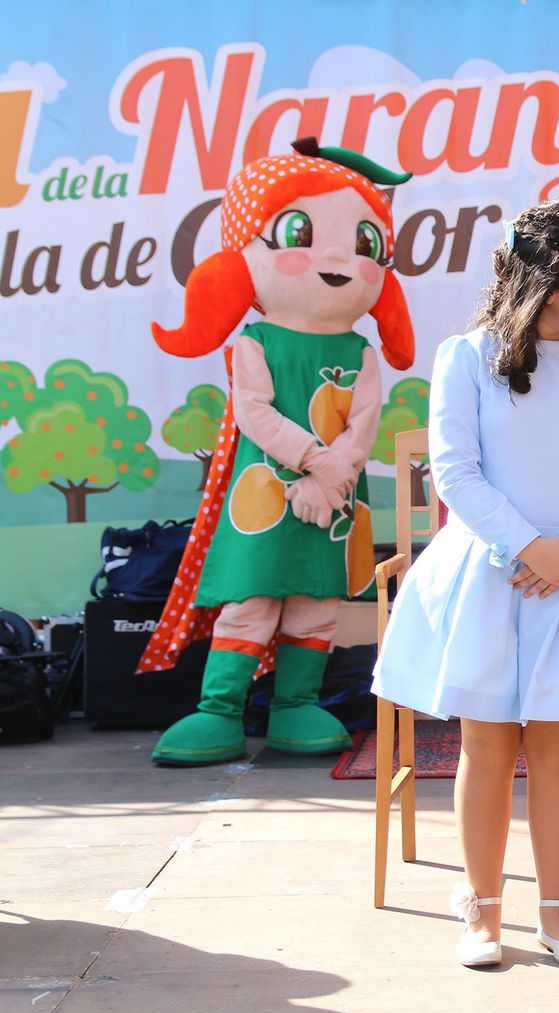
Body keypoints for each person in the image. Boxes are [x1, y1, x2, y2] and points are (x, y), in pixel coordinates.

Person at [371, 201, 559, 968]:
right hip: (493, 577)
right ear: (549, 281)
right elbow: (456, 470)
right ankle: (483, 911)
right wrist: (527, 547)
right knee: (488, 745)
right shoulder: (467, 356)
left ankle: (558, 912)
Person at [142, 138, 414, 766]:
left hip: (339, 492)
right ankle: (220, 711)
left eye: (365, 244)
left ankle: (296, 706)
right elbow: (254, 413)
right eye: (300, 231)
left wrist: (338, 469)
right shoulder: (254, 341)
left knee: (317, 598)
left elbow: (363, 421)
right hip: (263, 490)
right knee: (254, 594)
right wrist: (318, 461)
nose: (339, 257)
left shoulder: (361, 353)